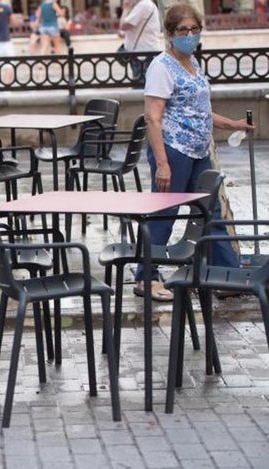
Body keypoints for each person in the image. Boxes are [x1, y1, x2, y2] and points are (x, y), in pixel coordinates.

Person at [136, 3, 255, 301]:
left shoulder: (193, 63)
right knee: (165, 212)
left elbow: (199, 109)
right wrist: (162, 163)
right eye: (182, 31)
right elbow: (153, 116)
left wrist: (232, 124)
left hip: (199, 150)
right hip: (174, 151)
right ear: (170, 34)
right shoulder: (162, 67)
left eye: (194, 30)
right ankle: (145, 277)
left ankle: (225, 276)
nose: (189, 36)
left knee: (210, 212)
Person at [119, 0, 161, 86]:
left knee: (141, 90)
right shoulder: (146, 5)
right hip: (143, 55)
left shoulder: (143, 5)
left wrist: (126, 9)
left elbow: (123, 25)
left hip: (143, 57)